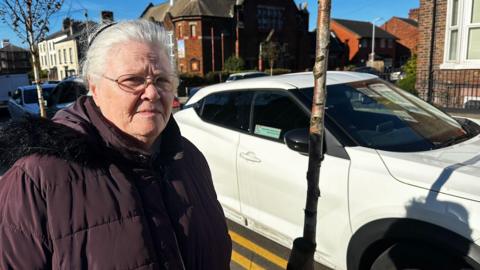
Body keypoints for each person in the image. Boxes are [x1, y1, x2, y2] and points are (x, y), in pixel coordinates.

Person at [0, 20, 231, 269]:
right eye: (132, 80)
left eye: (162, 80)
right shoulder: (35, 180)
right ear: (94, 88)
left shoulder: (190, 158)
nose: (152, 93)